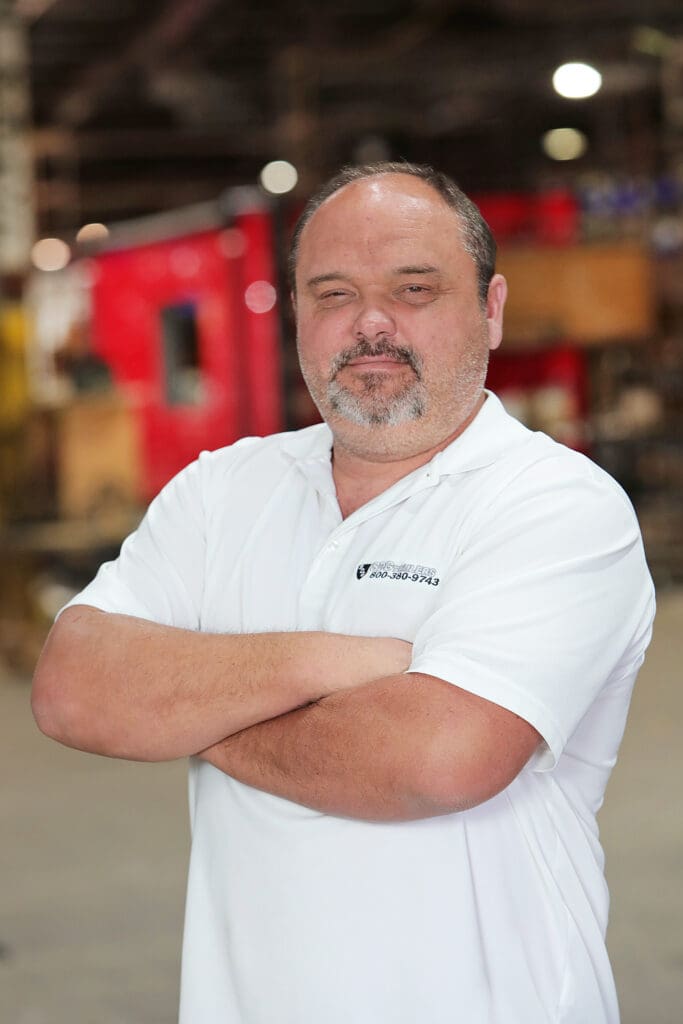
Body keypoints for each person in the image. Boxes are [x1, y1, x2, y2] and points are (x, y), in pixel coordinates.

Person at [32, 162, 655, 1024]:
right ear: (297, 315)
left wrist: (189, 708)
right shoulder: (221, 492)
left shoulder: (554, 506)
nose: (370, 324)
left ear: (491, 308)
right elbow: (71, 690)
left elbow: (437, 762)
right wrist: (335, 663)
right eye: (332, 294)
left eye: (413, 289)